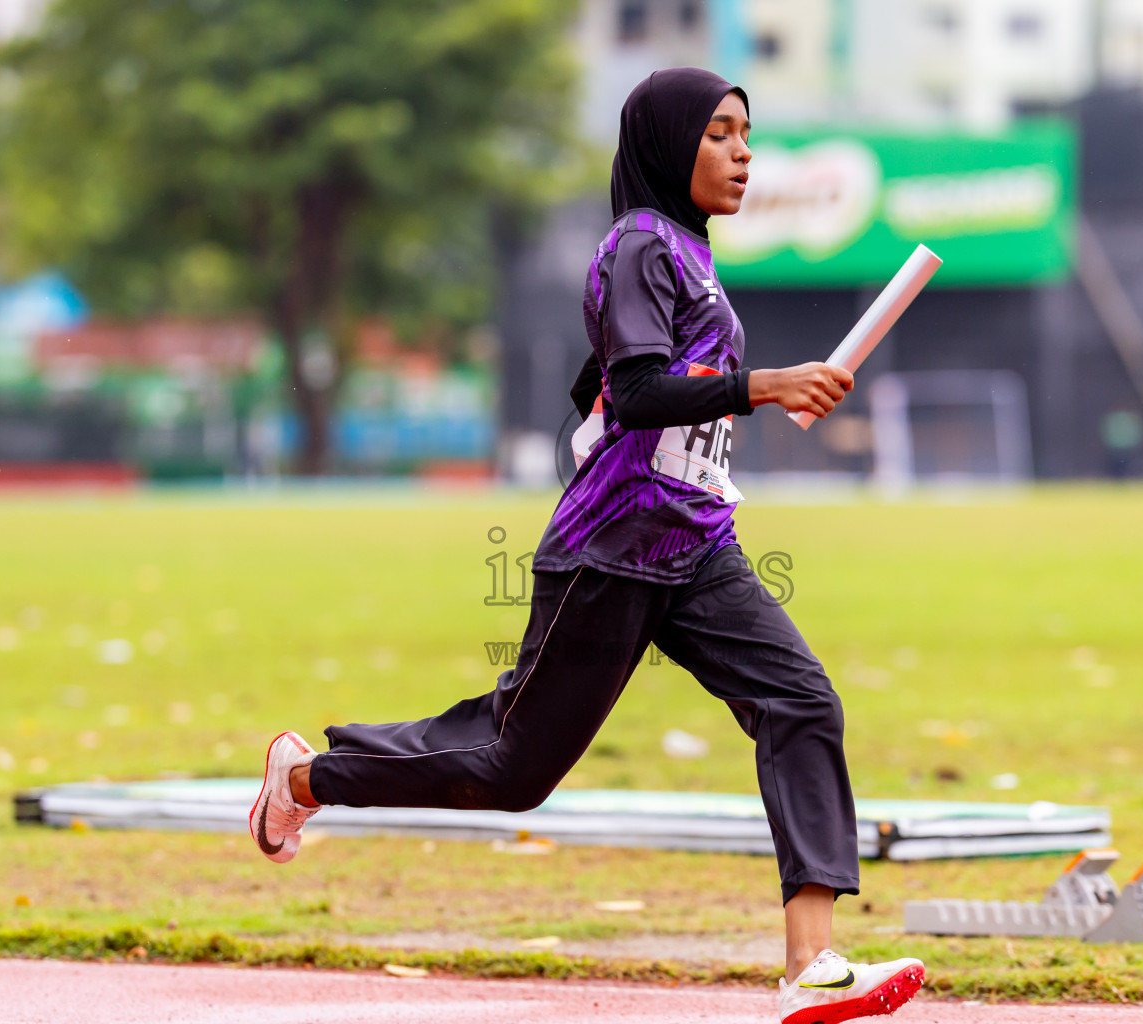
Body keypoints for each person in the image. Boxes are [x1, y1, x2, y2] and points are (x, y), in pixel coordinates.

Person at [250, 68, 925, 1024]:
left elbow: (608, 382)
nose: (743, 153)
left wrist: (617, 406)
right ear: (664, 143)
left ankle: (811, 963)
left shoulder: (686, 253)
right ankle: (308, 775)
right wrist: (765, 385)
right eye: (721, 134)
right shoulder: (642, 244)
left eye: (747, 134)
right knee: (510, 769)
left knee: (799, 701)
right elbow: (644, 389)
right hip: (611, 548)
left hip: (695, 542)